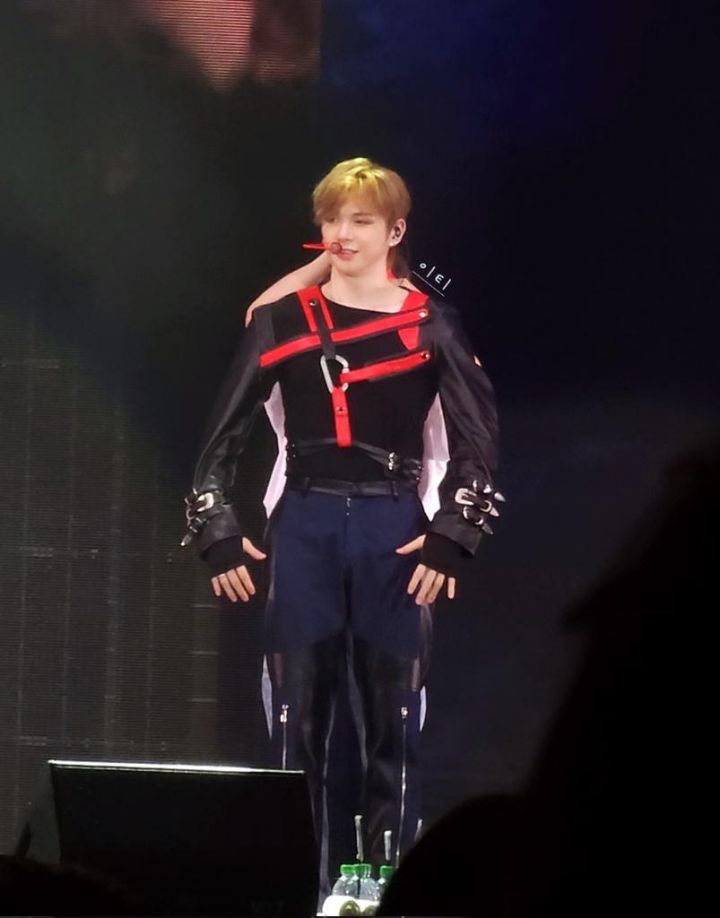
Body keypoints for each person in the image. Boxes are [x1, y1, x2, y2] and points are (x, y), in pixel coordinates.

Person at [182, 156, 501, 884]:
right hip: (306, 523)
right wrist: (217, 531)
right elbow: (221, 437)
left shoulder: (432, 324)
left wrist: (454, 535)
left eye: (360, 220)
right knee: (295, 728)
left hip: (395, 528)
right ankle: (296, 889)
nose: (341, 233)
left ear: (396, 231)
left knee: (395, 726)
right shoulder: (281, 321)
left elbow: (479, 440)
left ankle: (383, 890)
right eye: (330, 219)